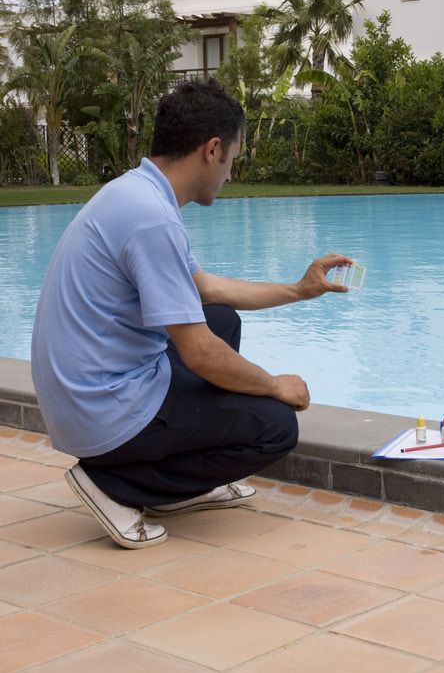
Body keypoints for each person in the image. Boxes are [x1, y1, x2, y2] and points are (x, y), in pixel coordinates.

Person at [31, 79, 351, 549]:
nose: (230, 174)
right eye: (232, 160)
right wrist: (274, 385)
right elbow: (199, 354)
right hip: (100, 410)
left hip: (84, 397)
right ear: (212, 149)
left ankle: (165, 484)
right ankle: (116, 486)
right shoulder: (152, 218)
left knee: (222, 318)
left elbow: (207, 289)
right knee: (276, 427)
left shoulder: (136, 192)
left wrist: (299, 289)